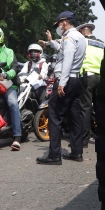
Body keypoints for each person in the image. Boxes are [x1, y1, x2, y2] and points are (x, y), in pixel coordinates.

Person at [36, 11, 86, 165]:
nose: (58, 27)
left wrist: (62, 83)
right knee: (74, 117)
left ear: (64, 22)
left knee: (55, 115)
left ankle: (54, 155)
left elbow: (68, 60)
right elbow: (63, 50)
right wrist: (51, 42)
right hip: (76, 81)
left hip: (66, 80)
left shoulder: (69, 37)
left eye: (58, 24)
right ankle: (77, 152)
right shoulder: (80, 37)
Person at [76, 23, 104, 147]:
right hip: (101, 77)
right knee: (100, 108)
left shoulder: (82, 42)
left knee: (85, 109)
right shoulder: (101, 43)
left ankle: (84, 140)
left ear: (82, 31)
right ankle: (103, 136)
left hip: (87, 77)